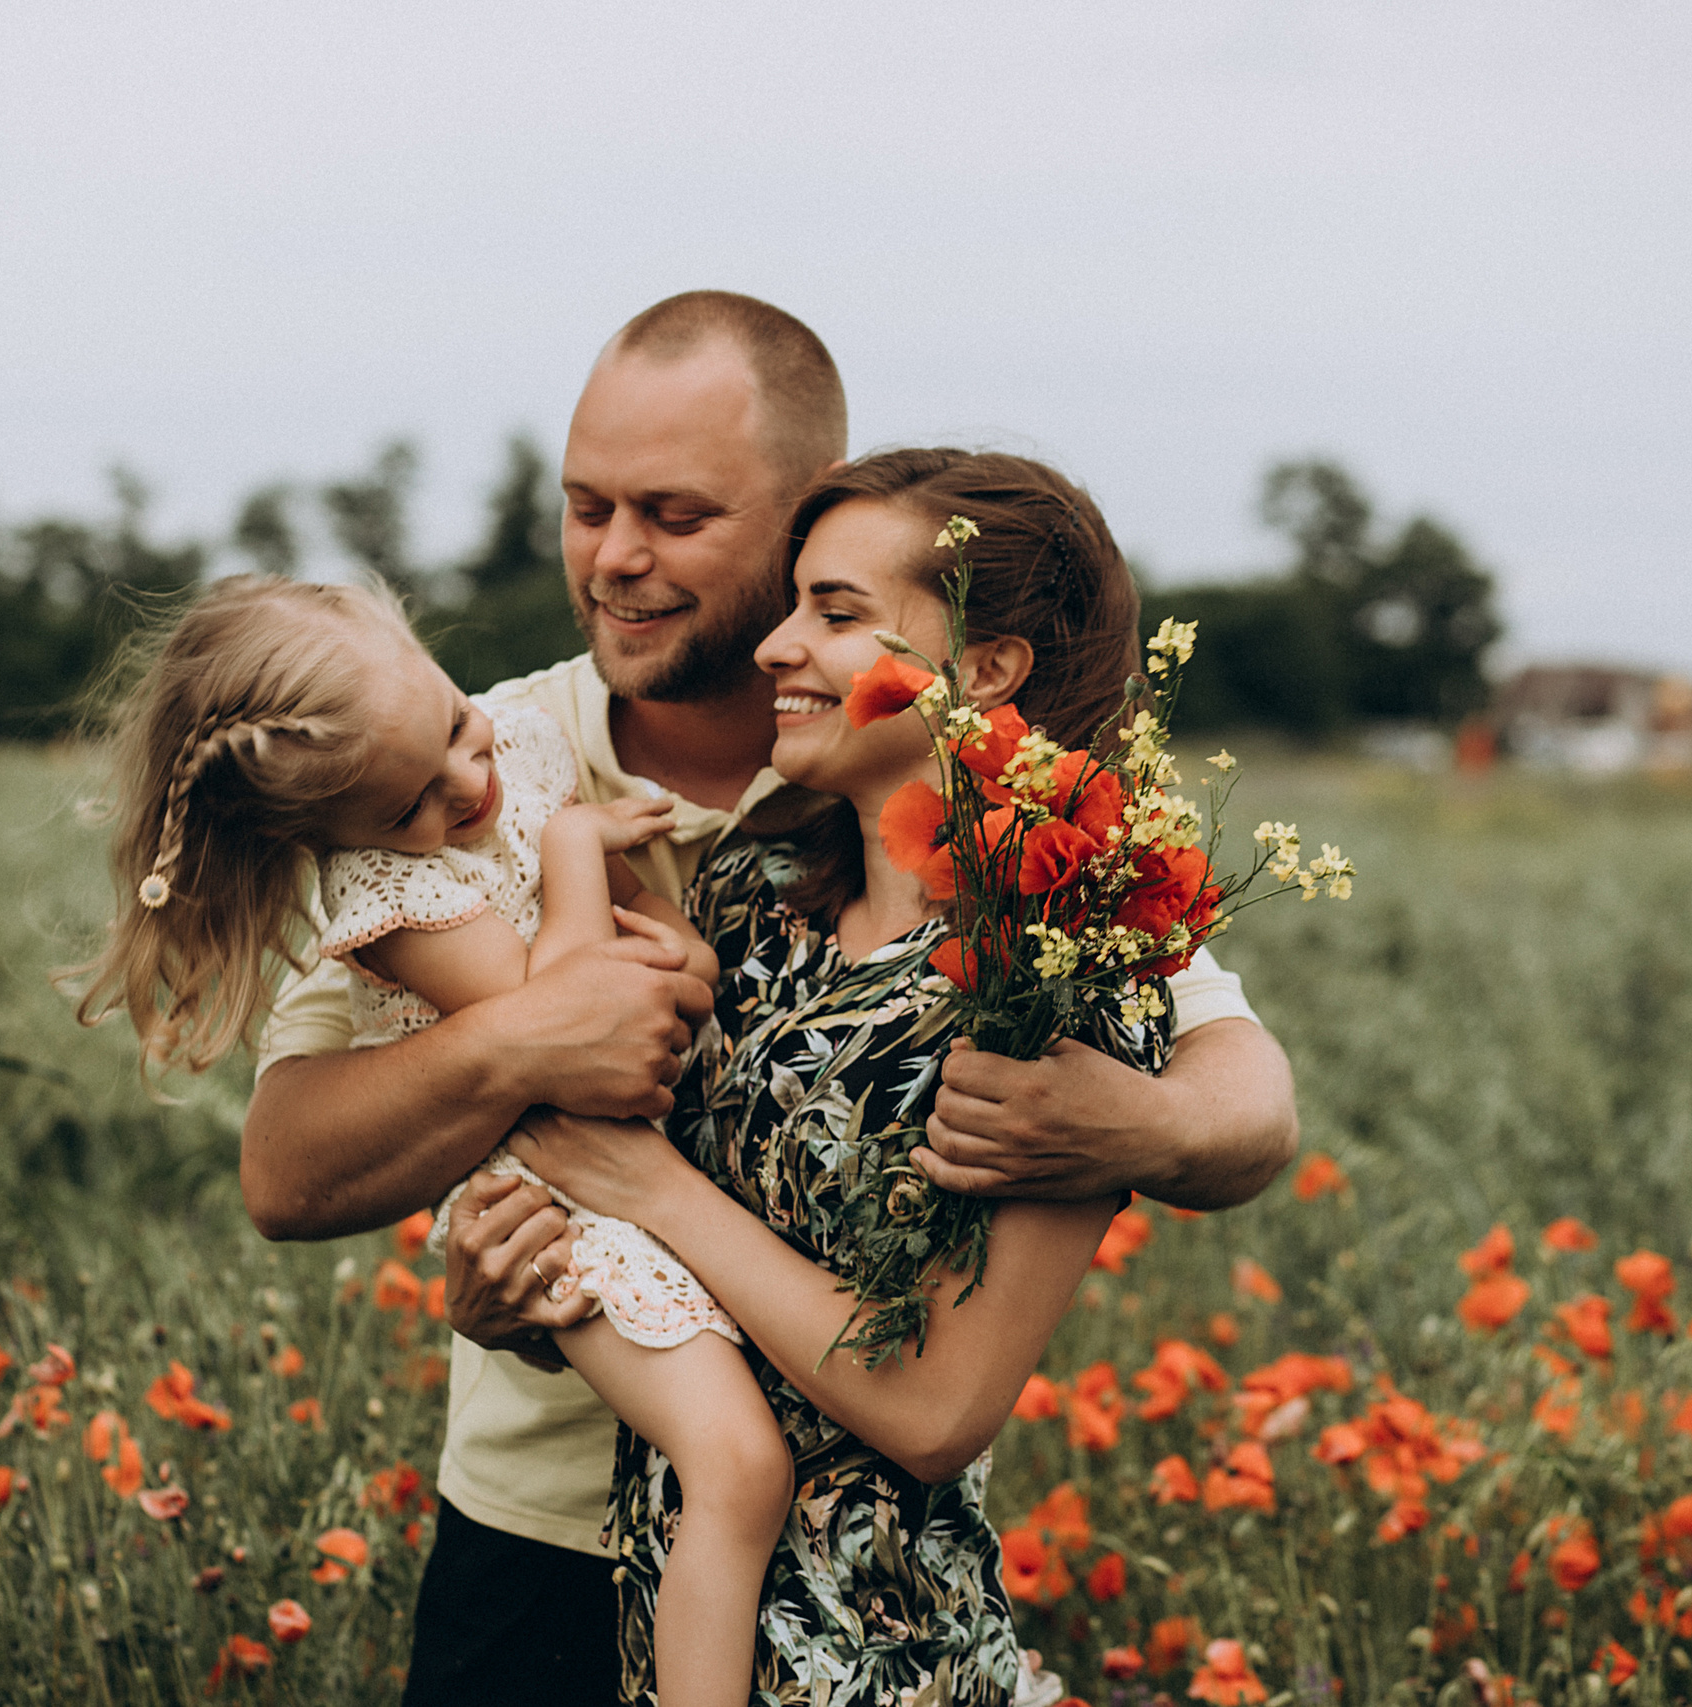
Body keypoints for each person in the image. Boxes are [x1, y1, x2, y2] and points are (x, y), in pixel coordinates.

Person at [240, 292, 1298, 1704]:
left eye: (675, 515)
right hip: (541, 1535)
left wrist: (1138, 1130)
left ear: (804, 521)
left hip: (847, 1583)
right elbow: (288, 1158)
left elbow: (1240, 1091)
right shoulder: (464, 756)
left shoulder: (997, 858)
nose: (616, 557)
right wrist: (528, 1060)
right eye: (587, 505)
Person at [71, 573, 793, 1707]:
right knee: (740, 1467)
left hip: (646, 1178)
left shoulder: (524, 745)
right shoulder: (391, 892)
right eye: (408, 801)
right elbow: (557, 1014)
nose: (467, 785)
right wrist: (569, 857)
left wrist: (673, 963)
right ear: (325, 836)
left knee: (753, 1466)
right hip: (555, 1208)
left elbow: (655, 966)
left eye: (457, 724)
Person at [518, 446, 1159, 1702]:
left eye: (838, 614)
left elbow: (933, 1409)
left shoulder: (1054, 986)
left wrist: (649, 1189)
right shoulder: (752, 900)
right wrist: (524, 1263)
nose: (774, 646)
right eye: (794, 601)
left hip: (875, 1657)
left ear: (983, 672)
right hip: (666, 1629)